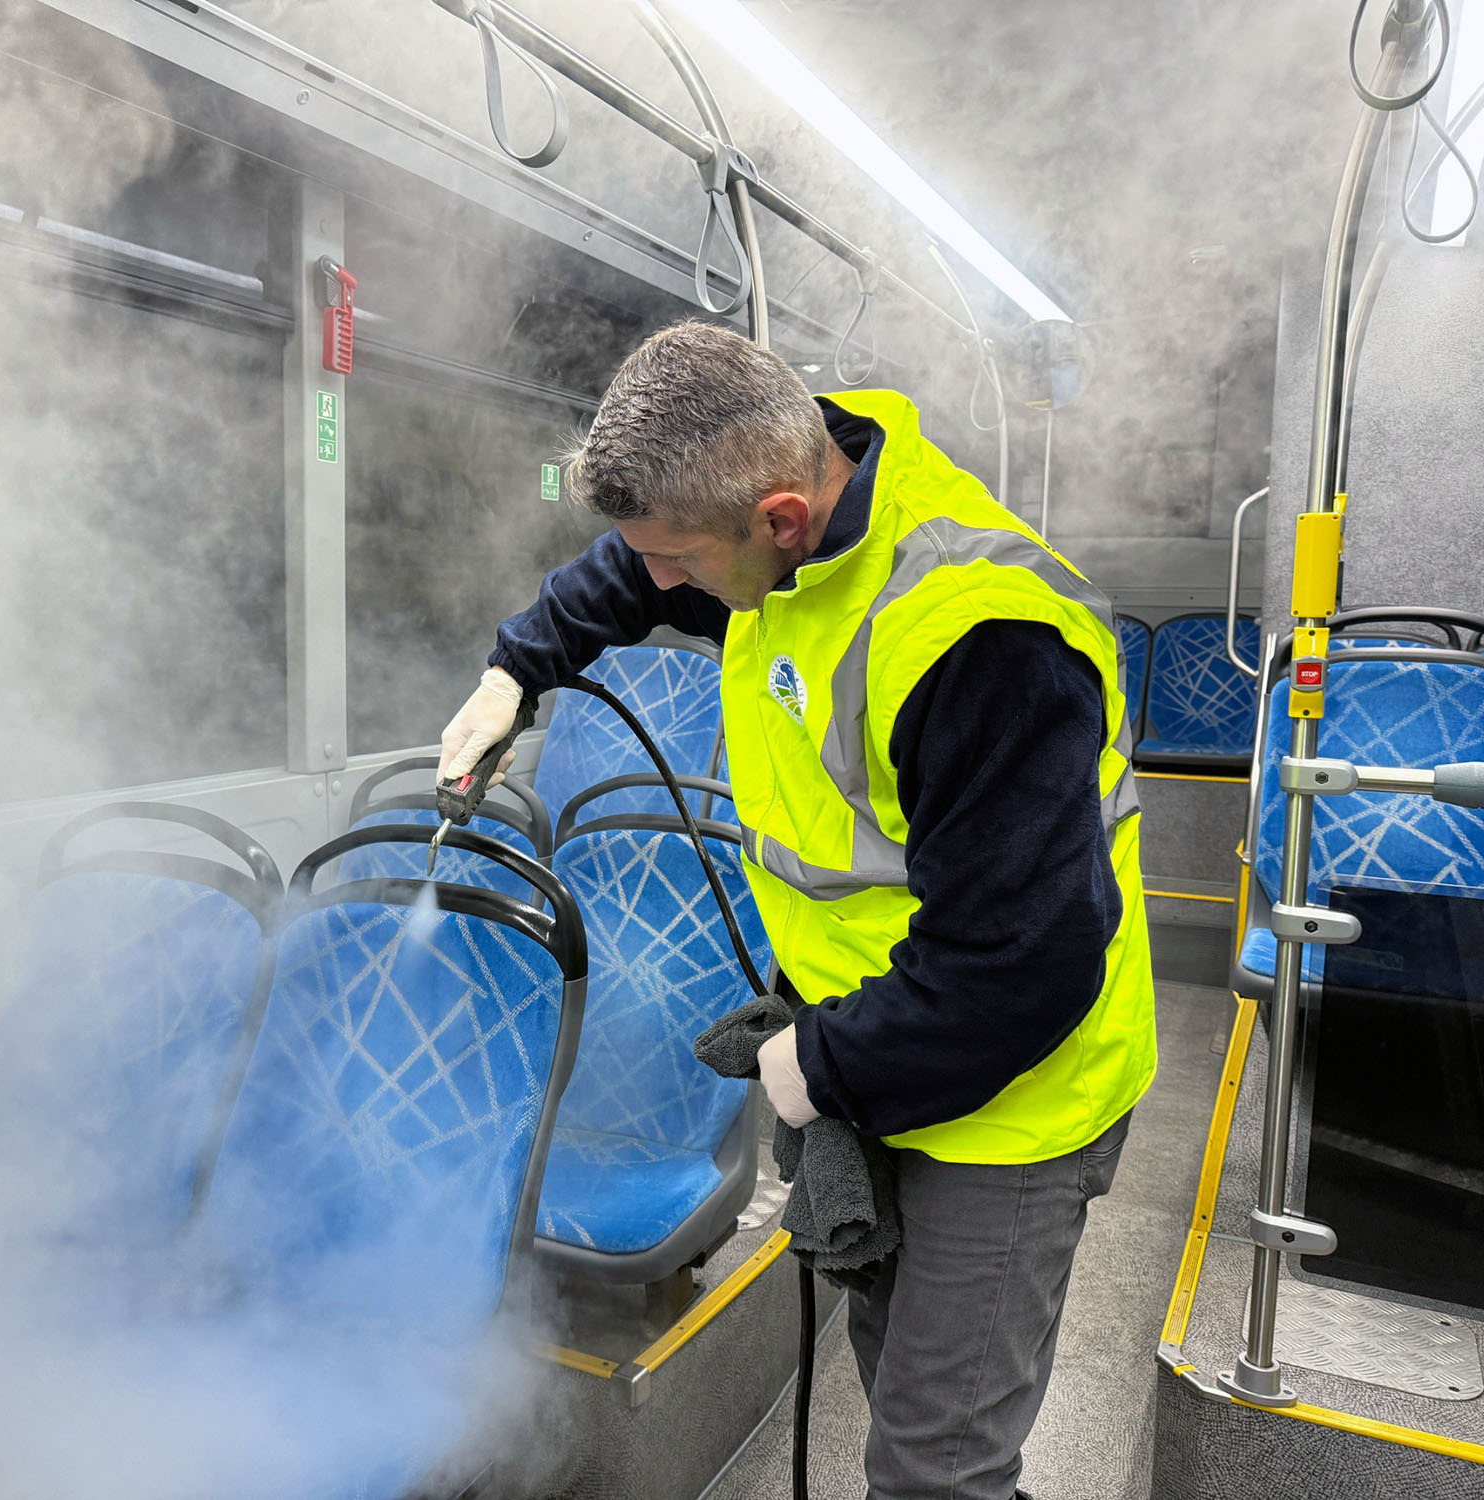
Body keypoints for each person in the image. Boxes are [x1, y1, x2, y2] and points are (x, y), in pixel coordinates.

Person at [437, 320, 1156, 1500]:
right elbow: (628, 566)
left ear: (779, 519)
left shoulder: (979, 640)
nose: (658, 588)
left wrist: (817, 1063)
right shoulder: (771, 516)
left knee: (934, 1469)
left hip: (1013, 1098)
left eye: (678, 562)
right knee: (897, 1379)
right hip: (878, 1038)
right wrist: (516, 669)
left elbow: (1020, 963)